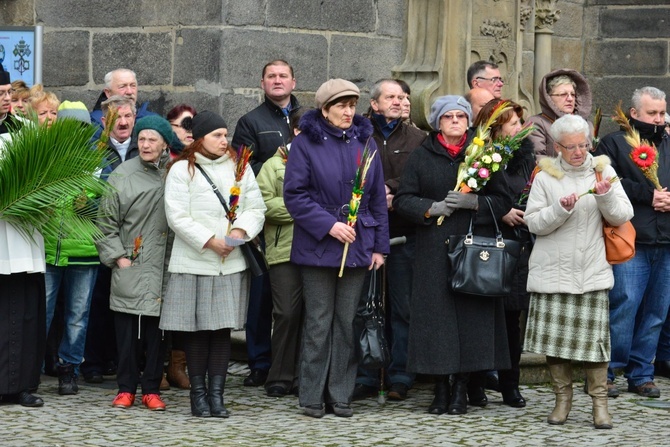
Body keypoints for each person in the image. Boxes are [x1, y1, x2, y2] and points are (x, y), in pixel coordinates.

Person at [393, 95, 512, 416]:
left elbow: (503, 200)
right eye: (449, 117)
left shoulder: (484, 156)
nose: (456, 121)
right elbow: (403, 199)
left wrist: (474, 203)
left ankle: (461, 387)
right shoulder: (421, 156)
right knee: (437, 321)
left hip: (473, 249)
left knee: (470, 319)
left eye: (461, 115)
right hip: (434, 250)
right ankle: (440, 387)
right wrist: (432, 208)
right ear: (437, 123)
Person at [283, 79, 389, 418]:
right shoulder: (305, 144)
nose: (347, 112)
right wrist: (329, 225)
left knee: (346, 322)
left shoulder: (366, 142)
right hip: (318, 246)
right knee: (318, 322)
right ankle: (312, 395)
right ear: (324, 109)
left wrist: (379, 248)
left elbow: (375, 200)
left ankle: (340, 394)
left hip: (358, 246)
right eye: (340, 105)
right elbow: (295, 196)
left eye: (351, 105)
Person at [524, 114, 633, 429]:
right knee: (556, 344)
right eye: (570, 147)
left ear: (589, 142)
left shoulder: (603, 170)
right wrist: (561, 208)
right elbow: (533, 223)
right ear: (557, 146)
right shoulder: (545, 177)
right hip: (553, 272)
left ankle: (600, 405)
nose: (578, 152)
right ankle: (563, 401)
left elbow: (623, 215)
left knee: (596, 344)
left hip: (592, 271)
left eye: (583, 145)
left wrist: (604, 194)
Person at [160, 111, 266, 418]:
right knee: (196, 332)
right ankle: (198, 395)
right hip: (195, 262)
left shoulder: (239, 168)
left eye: (225, 134)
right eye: (217, 135)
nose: (224, 140)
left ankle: (217, 396)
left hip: (229, 263)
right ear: (200, 138)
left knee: (220, 331)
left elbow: (255, 208)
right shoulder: (182, 170)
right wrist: (210, 240)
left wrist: (236, 235)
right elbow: (177, 215)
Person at [353, 79, 426, 402]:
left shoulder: (418, 139)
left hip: (402, 232)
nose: (398, 101)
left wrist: (394, 189)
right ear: (375, 103)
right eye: (391, 97)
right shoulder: (357, 133)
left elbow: (423, 176)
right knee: (365, 307)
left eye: (402, 97)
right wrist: (371, 192)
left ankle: (400, 375)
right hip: (363, 234)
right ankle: (365, 373)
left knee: (402, 307)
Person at [95, 116, 175, 411]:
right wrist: (119, 257)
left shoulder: (175, 172)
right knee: (127, 330)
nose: (145, 144)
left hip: (165, 264)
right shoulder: (122, 175)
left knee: (158, 333)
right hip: (133, 261)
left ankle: (152, 388)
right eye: (141, 139)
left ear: (165, 143)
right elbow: (105, 222)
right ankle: (126, 388)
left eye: (152, 139)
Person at [595, 86, 670, 398]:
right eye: (652, 113)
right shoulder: (613, 143)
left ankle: (642, 373)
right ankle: (609, 371)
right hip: (631, 239)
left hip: (666, 240)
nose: (659, 118)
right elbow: (605, 181)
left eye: (662, 112)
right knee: (624, 305)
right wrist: (648, 195)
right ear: (634, 113)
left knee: (657, 311)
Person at [232, 59, 301, 388]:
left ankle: (293, 363)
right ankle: (259, 361)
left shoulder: (307, 119)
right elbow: (242, 167)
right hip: (265, 220)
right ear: (262, 83)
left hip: (301, 230)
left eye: (283, 76)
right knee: (262, 297)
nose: (277, 81)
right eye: (271, 76)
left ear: (293, 81)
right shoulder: (251, 122)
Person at [471, 99, 537, 408]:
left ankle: (511, 384)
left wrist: (518, 212)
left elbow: (531, 192)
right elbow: (471, 195)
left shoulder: (526, 156)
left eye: (519, 123)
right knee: (481, 317)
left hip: (516, 244)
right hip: (485, 242)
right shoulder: (477, 153)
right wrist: (500, 212)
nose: (519, 128)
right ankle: (475, 382)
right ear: (496, 127)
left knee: (512, 319)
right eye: (512, 123)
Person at [43, 101, 100, 396]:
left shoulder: (96, 160)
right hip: (50, 247)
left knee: (78, 316)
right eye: (69, 127)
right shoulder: (46, 157)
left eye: (80, 127)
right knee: (43, 313)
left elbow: (107, 201)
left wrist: (89, 204)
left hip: (84, 250)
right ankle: (32, 368)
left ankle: (69, 369)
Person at [81, 95, 138, 384]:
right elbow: (82, 200)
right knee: (99, 301)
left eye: (128, 116)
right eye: (117, 117)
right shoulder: (93, 153)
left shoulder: (144, 149)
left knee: (130, 304)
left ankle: (124, 361)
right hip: (102, 237)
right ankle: (93, 362)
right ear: (104, 122)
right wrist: (107, 211)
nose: (124, 122)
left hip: (136, 239)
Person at [0, 66, 45, 408]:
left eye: (7, 94)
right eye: (1, 95)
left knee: (26, 312)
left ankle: (24, 384)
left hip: (24, 234)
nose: (6, 101)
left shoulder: (27, 130)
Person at [256, 109, 305, 398]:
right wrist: (303, 210)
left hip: (318, 248)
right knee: (286, 312)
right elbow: (263, 204)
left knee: (314, 315)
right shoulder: (273, 165)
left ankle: (304, 375)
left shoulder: (320, 162)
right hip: (283, 249)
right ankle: (280, 374)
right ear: (296, 132)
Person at [527, 69, 593, 159]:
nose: (570, 99)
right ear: (548, 98)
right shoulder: (537, 123)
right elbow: (538, 158)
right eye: (563, 94)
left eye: (573, 94)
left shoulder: (586, 124)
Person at [90, 68, 155, 139]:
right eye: (122, 87)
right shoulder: (94, 123)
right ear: (108, 93)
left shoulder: (153, 120)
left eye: (133, 85)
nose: (129, 92)